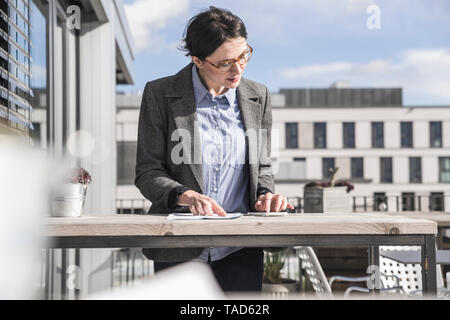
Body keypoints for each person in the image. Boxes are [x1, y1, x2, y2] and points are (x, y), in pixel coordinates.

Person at [135, 6, 294, 292]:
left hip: (241, 248)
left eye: (243, 56)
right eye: (225, 63)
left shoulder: (259, 96)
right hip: (179, 247)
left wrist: (265, 195)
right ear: (197, 60)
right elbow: (147, 171)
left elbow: (262, 167)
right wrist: (184, 195)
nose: (238, 70)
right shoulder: (160, 94)